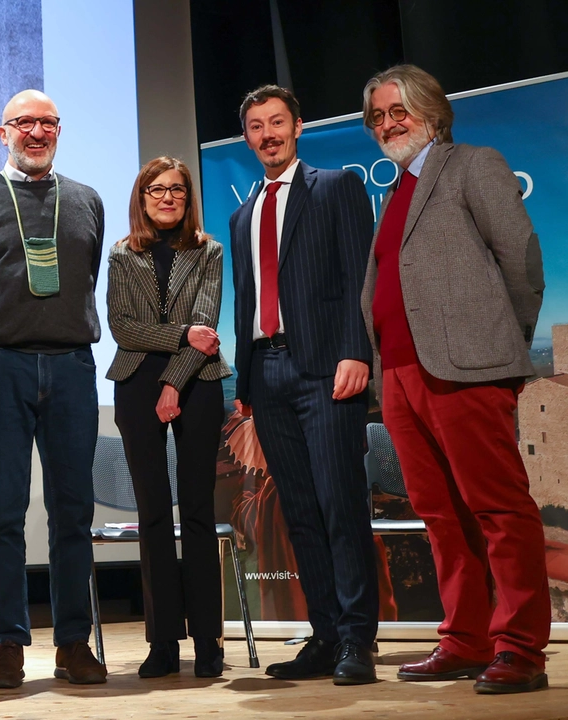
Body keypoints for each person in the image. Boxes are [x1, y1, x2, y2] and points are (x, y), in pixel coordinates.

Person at [360, 64, 549, 694]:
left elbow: (521, 260)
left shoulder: (472, 163)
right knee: (440, 514)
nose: (388, 123)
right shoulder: (393, 193)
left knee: (498, 507)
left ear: (433, 113)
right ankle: (465, 639)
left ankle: (520, 647)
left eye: (399, 110)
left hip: (467, 368)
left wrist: (506, 347)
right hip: (402, 374)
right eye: (378, 115)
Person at [0, 89, 106, 688]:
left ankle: (72, 643)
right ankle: (8, 642)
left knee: (72, 512)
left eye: (47, 123)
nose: (37, 133)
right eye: (24, 123)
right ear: (2, 131)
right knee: (2, 512)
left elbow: (85, 277)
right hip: (0, 369)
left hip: (71, 369)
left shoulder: (86, 200)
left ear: (59, 131)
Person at [228, 85, 379, 684]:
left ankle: (357, 641)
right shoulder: (243, 215)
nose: (268, 134)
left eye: (277, 122)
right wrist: (246, 379)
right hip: (267, 375)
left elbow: (357, 278)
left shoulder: (337, 187)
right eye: (256, 126)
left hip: (326, 370)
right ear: (247, 137)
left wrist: (355, 352)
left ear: (298, 127)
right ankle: (323, 636)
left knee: (341, 504)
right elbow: (246, 304)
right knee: (300, 513)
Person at [107, 156, 232, 678]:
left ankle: (208, 642)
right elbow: (123, 328)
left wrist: (173, 381)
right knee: (154, 513)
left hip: (198, 383)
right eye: (156, 189)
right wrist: (179, 338)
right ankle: (163, 643)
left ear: (187, 198)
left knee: (198, 511)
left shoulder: (208, 250)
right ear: (142, 197)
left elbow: (207, 324)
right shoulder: (122, 254)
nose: (166, 197)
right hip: (135, 384)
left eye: (176, 190)